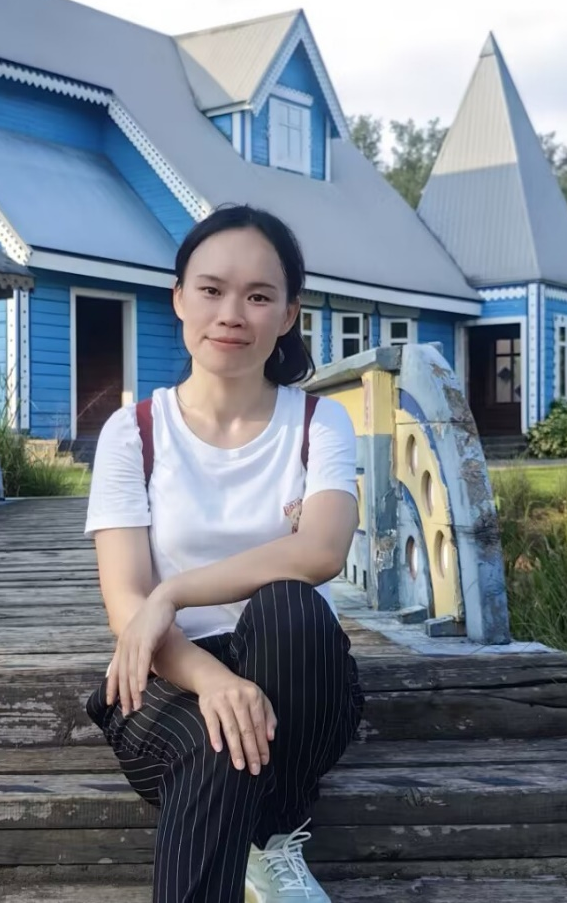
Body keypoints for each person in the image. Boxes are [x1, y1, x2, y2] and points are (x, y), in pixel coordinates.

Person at [85, 204, 364, 903]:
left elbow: (322, 550)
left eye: (259, 296)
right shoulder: (133, 432)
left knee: (290, 606)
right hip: (168, 677)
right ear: (179, 298)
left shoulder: (320, 422)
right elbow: (126, 607)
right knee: (217, 746)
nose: (232, 314)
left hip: (300, 685)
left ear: (289, 314)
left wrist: (173, 592)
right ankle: (269, 837)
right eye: (211, 290)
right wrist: (214, 681)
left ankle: (269, 836)